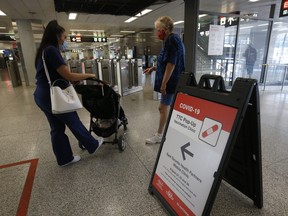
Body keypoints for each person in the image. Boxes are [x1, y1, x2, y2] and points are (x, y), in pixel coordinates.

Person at [34, 20, 103, 167]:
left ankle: (64, 158)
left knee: (57, 127)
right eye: (64, 37)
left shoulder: (43, 50)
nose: (65, 40)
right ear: (57, 36)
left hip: (41, 95)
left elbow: (51, 74)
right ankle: (93, 145)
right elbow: (69, 76)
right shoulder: (52, 50)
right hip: (53, 96)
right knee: (73, 120)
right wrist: (89, 75)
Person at [144, 16, 185, 144]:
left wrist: (164, 84)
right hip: (174, 80)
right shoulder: (174, 39)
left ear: (165, 30)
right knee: (169, 107)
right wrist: (154, 68)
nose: (157, 33)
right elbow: (166, 61)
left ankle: (159, 135)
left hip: (171, 82)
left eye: (158, 30)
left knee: (162, 108)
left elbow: (171, 64)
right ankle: (168, 131)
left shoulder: (171, 40)